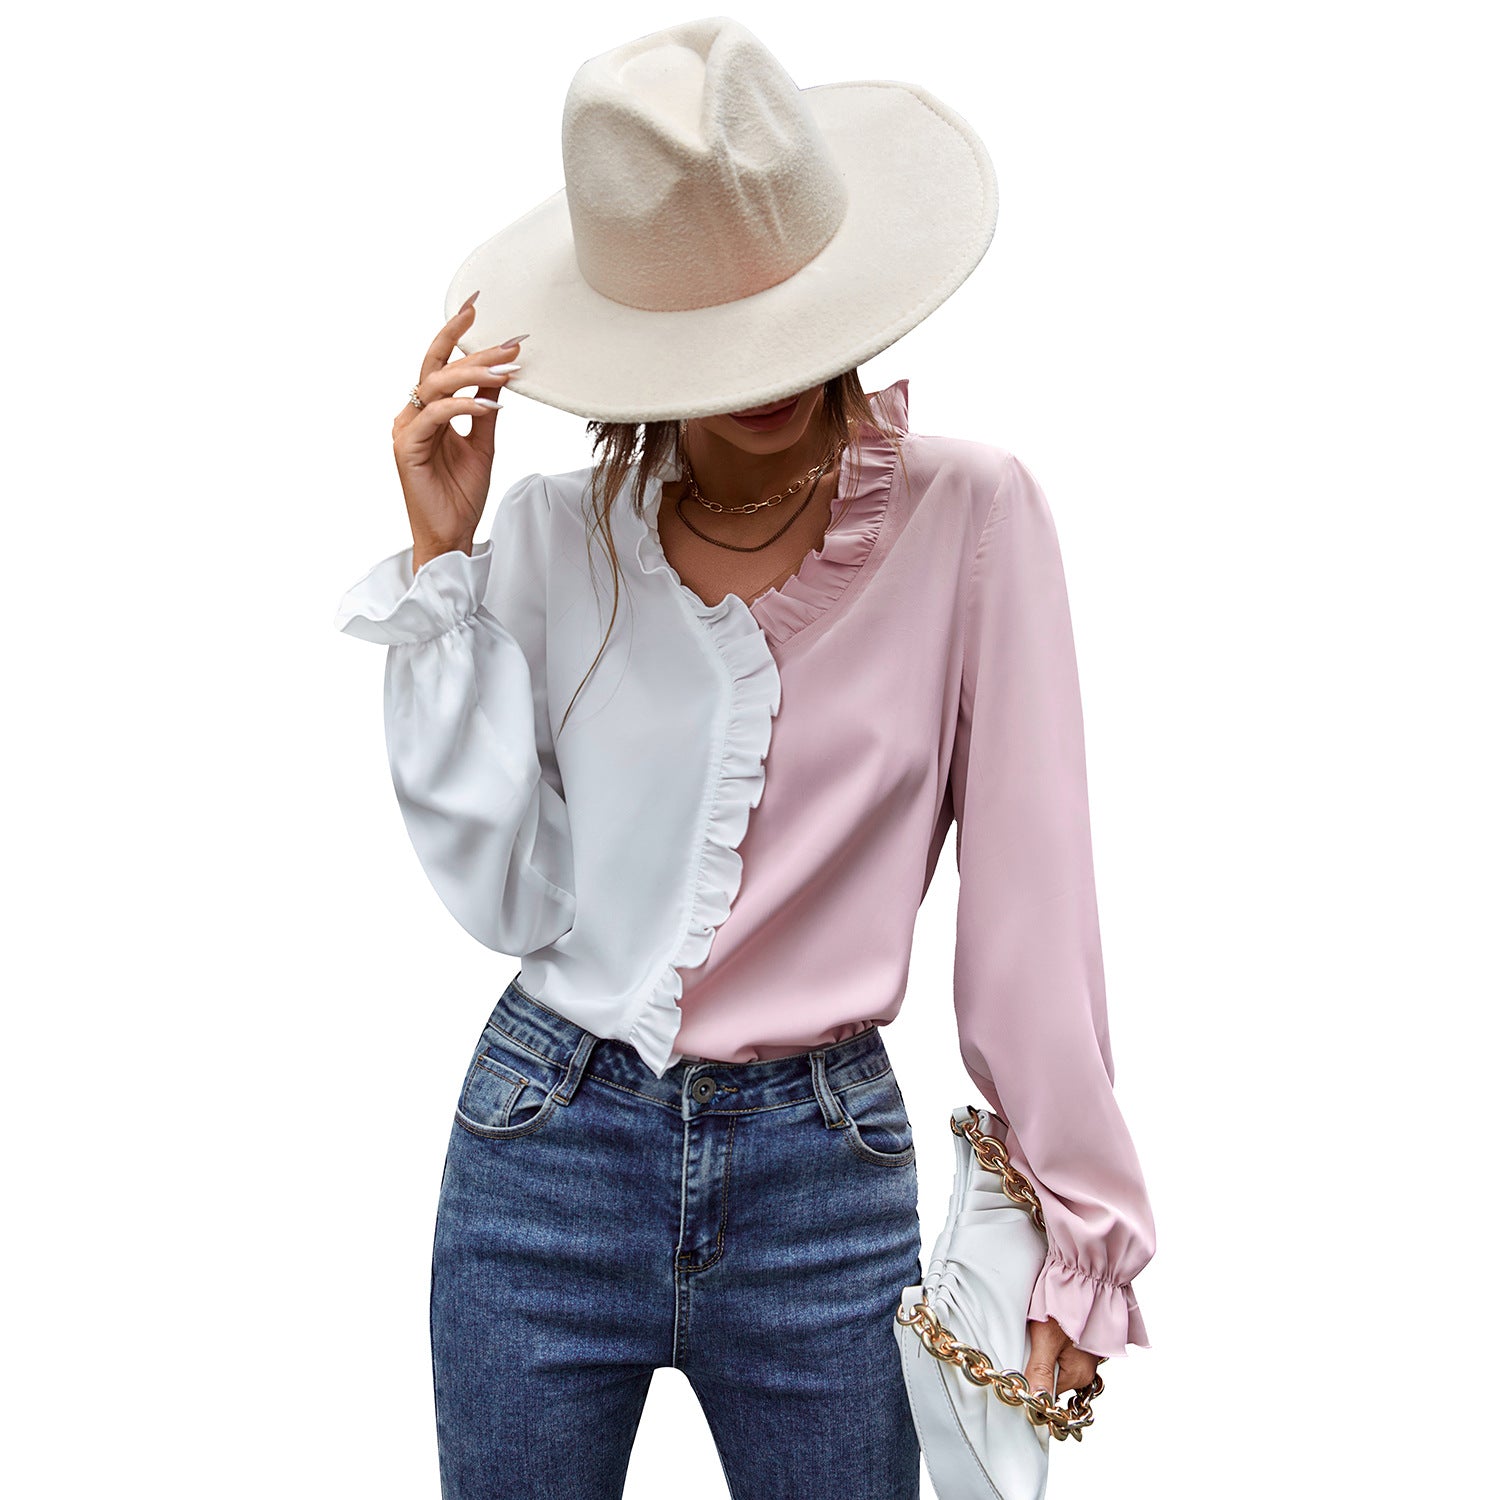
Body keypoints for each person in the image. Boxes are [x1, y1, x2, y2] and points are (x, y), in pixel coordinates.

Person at [335, 16, 1155, 1500]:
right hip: (545, 1144)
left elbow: (1035, 914)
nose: (767, 372)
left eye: (786, 316)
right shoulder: (551, 540)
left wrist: (1077, 1238)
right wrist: (443, 564)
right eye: (708, 338)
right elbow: (507, 900)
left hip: (819, 1178)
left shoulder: (972, 521)